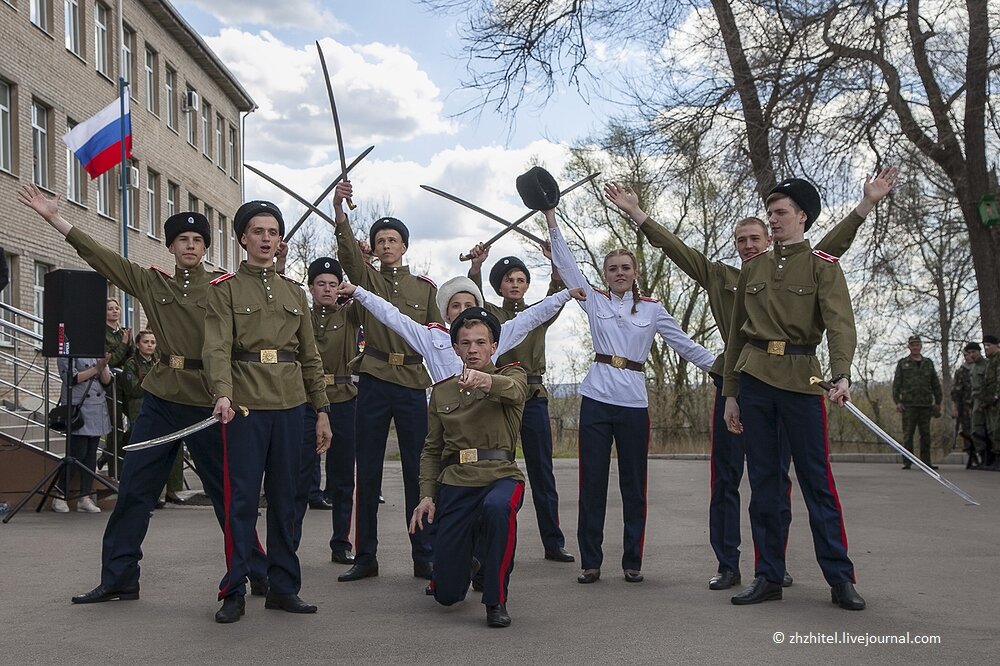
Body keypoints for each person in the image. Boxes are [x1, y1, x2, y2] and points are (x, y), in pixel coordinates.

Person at [604, 166, 897, 591]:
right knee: (733, 480)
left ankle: (803, 571)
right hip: (740, 379)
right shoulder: (728, 277)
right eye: (741, 240)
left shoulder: (809, 264)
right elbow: (679, 252)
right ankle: (734, 566)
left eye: (757, 236)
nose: (749, 244)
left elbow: (831, 271)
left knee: (788, 481)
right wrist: (638, 214)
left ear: (773, 234)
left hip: (795, 381)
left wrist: (866, 205)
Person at [18, 183, 270, 606]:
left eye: (197, 240)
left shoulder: (224, 286)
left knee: (229, 494)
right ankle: (119, 577)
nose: (190, 246)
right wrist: (53, 218)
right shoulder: (153, 283)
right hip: (161, 400)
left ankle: (257, 571)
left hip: (210, 403)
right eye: (182, 240)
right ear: (171, 246)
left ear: (206, 246)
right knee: (134, 489)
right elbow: (102, 258)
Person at [545, 200, 717, 584]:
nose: (619, 273)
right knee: (592, 485)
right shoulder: (593, 300)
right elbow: (567, 262)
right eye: (612, 269)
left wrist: (721, 368)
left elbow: (685, 345)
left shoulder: (653, 310)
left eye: (625, 267)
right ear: (604, 275)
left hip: (633, 405)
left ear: (635, 273)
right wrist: (551, 216)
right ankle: (591, 562)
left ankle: (632, 561)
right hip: (596, 401)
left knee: (634, 486)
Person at [723, 177, 866, 610]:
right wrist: (731, 392)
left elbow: (841, 324)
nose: (774, 220)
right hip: (755, 381)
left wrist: (841, 373)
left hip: (803, 382)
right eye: (771, 214)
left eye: (781, 213)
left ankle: (840, 579)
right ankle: (767, 575)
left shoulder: (823, 264)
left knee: (817, 482)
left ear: (802, 215)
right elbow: (735, 337)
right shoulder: (754, 267)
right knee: (764, 483)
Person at [204, 200, 332, 623]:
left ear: (279, 240)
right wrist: (221, 393)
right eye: (257, 231)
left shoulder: (296, 292)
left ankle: (282, 586)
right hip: (244, 408)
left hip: (291, 406)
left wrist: (321, 410)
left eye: (272, 232)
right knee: (241, 501)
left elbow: (310, 358)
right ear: (243, 238)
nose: (265, 238)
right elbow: (217, 348)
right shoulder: (224, 289)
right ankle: (234, 589)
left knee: (287, 501)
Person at [331, 181, 441, 583]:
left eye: (393, 240)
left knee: (418, 470)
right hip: (375, 378)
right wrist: (340, 213)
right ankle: (366, 556)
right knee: (369, 470)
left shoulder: (424, 289)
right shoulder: (368, 280)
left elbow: (434, 334)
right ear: (373, 247)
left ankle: (424, 554)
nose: (387, 246)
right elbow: (348, 257)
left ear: (404, 247)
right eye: (380, 240)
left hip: (413, 381)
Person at [410, 308, 528, 628]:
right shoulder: (443, 390)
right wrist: (427, 496)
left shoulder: (512, 376)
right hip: (458, 481)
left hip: (501, 475)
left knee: (497, 508)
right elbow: (432, 449)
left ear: (493, 347)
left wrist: (485, 380)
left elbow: (515, 391)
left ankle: (496, 600)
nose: (473, 349)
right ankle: (470, 561)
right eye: (465, 343)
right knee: (446, 596)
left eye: (480, 342)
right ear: (456, 348)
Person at [465, 244, 574, 563]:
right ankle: (484, 545)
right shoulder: (492, 316)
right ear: (499, 285)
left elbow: (561, 289)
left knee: (543, 471)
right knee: (493, 469)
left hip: (534, 399)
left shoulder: (537, 313)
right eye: (509, 279)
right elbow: (474, 301)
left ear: (527, 285)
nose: (515, 284)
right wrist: (476, 267)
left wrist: (556, 261)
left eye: (521, 279)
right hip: (499, 400)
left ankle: (553, 542)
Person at [286, 254, 360, 565]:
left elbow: (368, 290)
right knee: (299, 477)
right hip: (305, 401)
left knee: (342, 479)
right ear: (311, 288)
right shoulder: (298, 313)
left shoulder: (351, 315)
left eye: (333, 284)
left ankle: (341, 542)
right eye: (321, 284)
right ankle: (290, 542)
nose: (327, 290)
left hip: (343, 399)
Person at [120, 330, 183, 505]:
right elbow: (133, 389)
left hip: (162, 409)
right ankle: (150, 494)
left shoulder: (159, 363)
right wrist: (153, 383)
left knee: (172, 450)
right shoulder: (132, 364)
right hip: (139, 410)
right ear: (138, 344)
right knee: (146, 454)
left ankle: (171, 490)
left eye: (152, 342)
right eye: (145, 342)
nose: (149, 345)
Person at [52, 355, 112, 513]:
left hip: (97, 405)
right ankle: (59, 493)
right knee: (77, 453)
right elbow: (71, 378)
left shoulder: (96, 351)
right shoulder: (67, 350)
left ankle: (85, 497)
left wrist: (104, 365)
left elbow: (107, 382)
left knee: (91, 453)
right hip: (78, 405)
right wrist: (96, 369)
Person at [892, 335, 943, 469]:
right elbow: (897, 384)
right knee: (908, 435)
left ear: (921, 346)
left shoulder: (928, 363)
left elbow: (935, 383)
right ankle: (907, 461)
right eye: (913, 345)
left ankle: (926, 462)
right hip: (908, 405)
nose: (915, 347)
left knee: (925, 435)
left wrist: (938, 401)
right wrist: (897, 401)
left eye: (917, 345)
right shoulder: (903, 363)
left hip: (926, 404)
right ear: (909, 347)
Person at [102, 297, 132, 477]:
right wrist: (123, 344)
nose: (115, 311)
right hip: (110, 384)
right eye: (110, 309)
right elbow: (110, 360)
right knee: (115, 426)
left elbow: (131, 358)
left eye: (117, 308)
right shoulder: (101, 332)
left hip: (126, 383)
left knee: (137, 423)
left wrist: (127, 343)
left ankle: (108, 454)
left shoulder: (123, 332)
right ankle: (115, 471)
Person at [952, 342, 987, 468]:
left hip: (980, 404)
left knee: (982, 430)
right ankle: (972, 456)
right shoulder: (961, 371)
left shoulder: (982, 366)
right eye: (966, 354)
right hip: (965, 407)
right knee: (968, 433)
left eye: (971, 353)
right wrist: (955, 408)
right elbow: (956, 392)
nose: (969, 356)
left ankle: (984, 456)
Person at [980, 335, 1000, 469]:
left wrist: (996, 397)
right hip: (990, 400)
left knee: (997, 429)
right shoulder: (990, 361)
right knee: (992, 429)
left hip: (996, 400)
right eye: (985, 346)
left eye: (989, 345)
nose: (986, 348)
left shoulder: (998, 359)